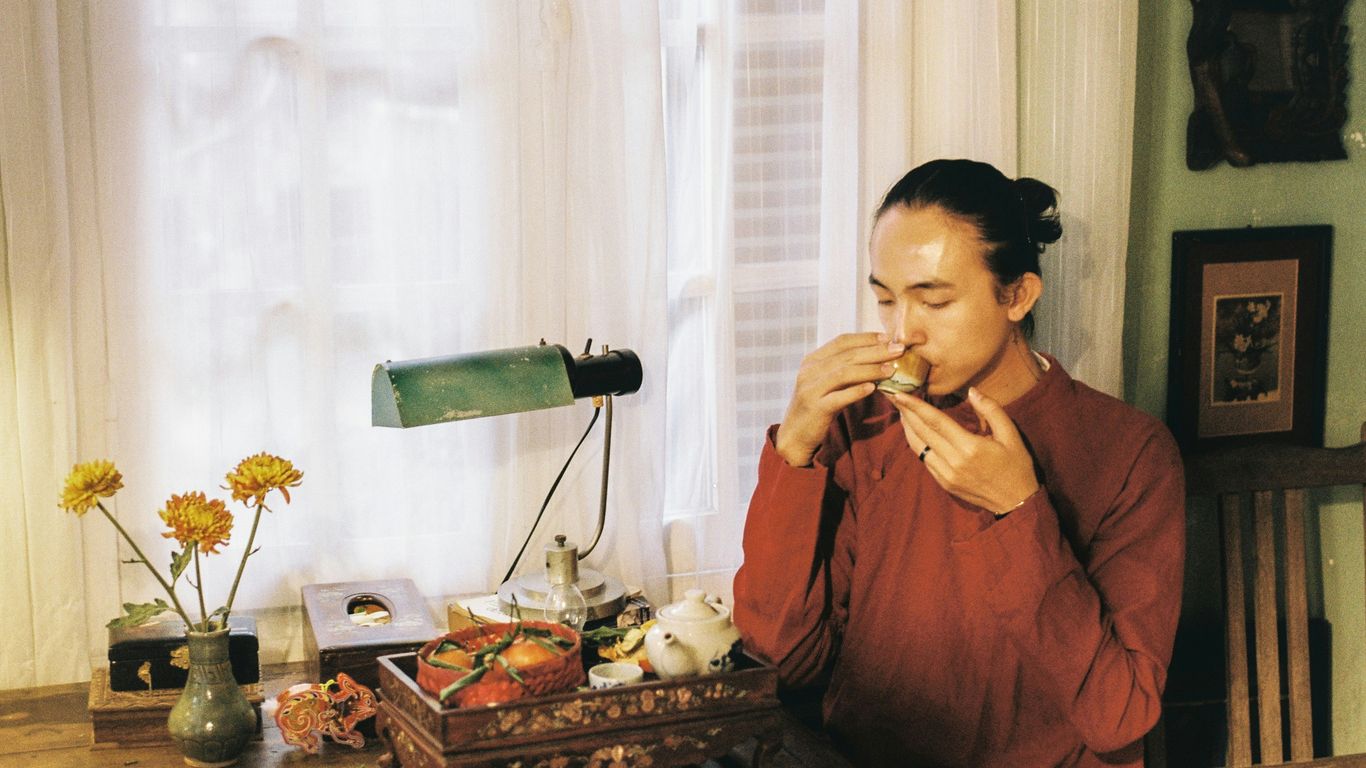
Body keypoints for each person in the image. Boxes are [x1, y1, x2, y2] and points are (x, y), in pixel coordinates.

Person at [731, 159, 1185, 767]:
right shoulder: (864, 425)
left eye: (934, 301)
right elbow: (782, 661)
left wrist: (1018, 511)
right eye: (885, 300)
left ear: (1017, 295)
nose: (902, 334)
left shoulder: (1130, 452)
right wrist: (795, 450)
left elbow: (1118, 714)